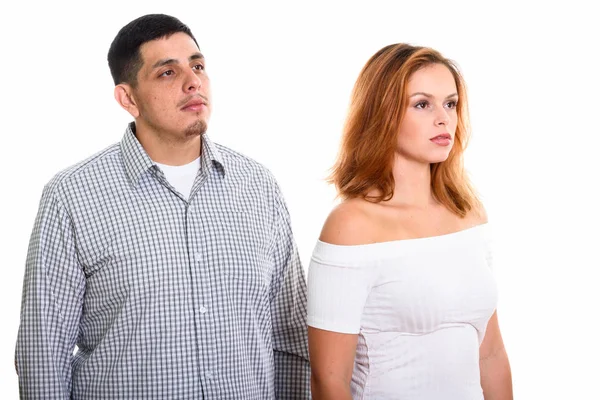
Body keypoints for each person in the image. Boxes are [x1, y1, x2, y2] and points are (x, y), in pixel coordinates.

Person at [15, 14, 310, 399]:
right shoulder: (72, 196)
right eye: (167, 73)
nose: (194, 82)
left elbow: (290, 336)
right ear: (128, 98)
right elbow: (43, 355)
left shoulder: (258, 187)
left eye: (198, 66)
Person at [307, 43, 513, 399]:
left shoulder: (469, 215)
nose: (443, 118)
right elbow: (329, 380)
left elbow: (491, 353)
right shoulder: (351, 225)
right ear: (383, 113)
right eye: (422, 104)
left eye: (451, 103)